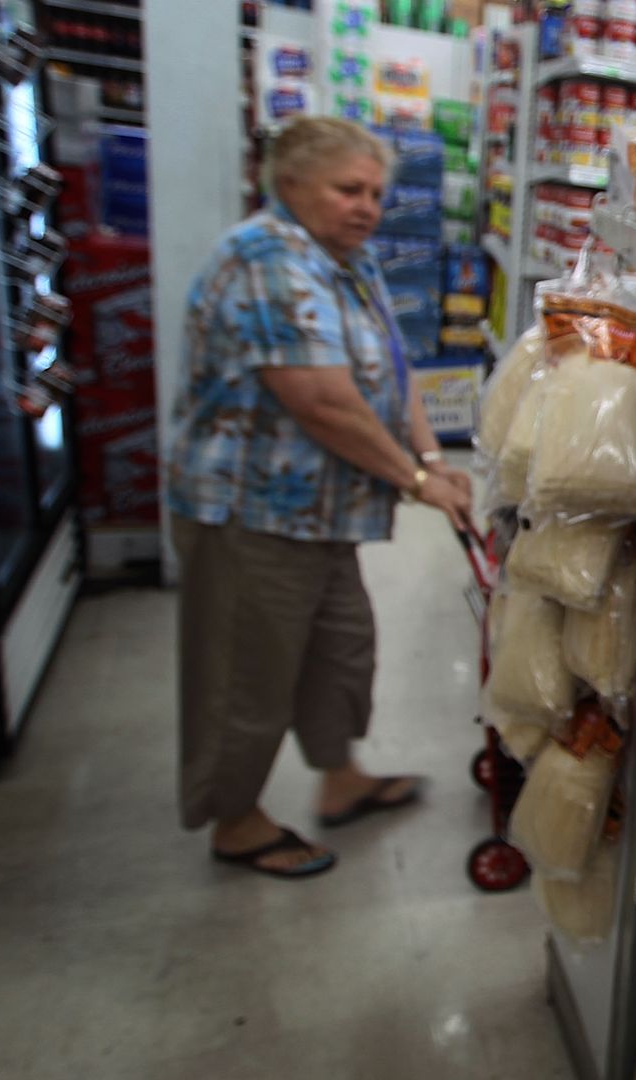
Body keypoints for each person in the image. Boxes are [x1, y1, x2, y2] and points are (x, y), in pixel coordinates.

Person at [166, 117, 475, 878]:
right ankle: (234, 818)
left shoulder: (348, 262)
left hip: (323, 511)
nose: (367, 206)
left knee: (339, 648)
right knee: (247, 672)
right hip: (252, 511)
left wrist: (434, 455)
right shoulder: (267, 260)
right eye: (348, 189)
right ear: (291, 183)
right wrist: (413, 482)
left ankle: (341, 777)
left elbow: (395, 371)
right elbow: (320, 400)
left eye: (374, 192)